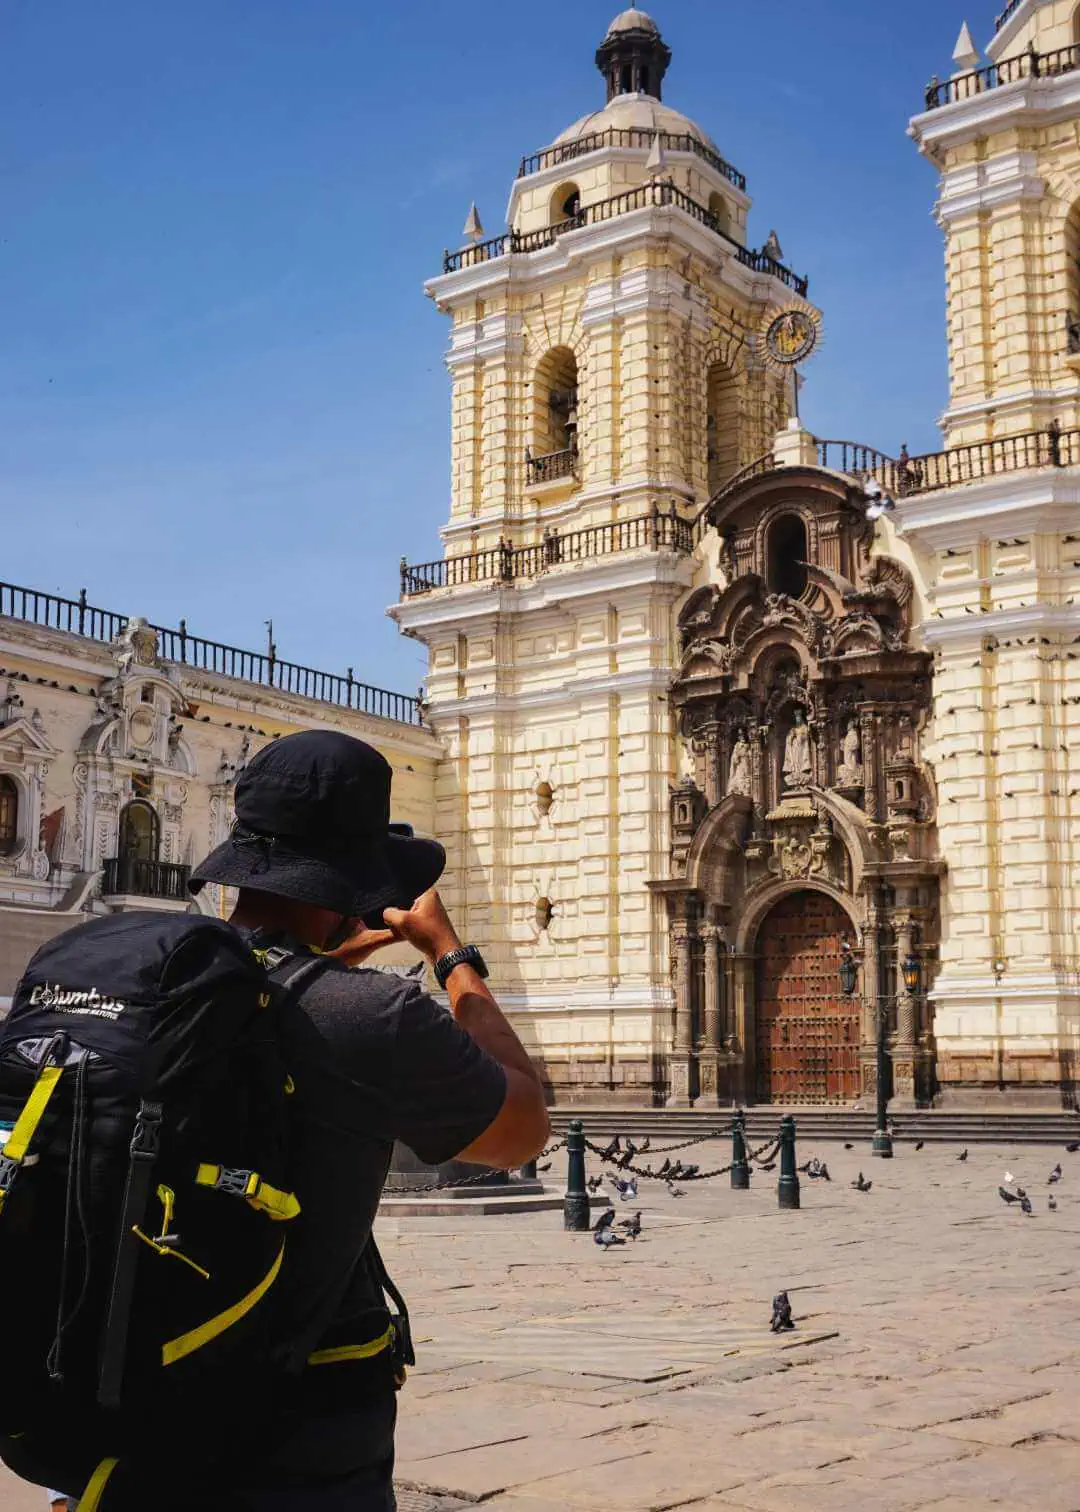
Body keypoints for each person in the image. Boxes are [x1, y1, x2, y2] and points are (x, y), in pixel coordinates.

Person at [23, 731, 549, 1510]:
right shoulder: (373, 1017)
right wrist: (449, 955)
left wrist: (328, 966)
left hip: (107, 1415)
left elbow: (260, 994)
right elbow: (521, 1129)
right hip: (294, 1447)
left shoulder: (126, 977)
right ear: (357, 880)